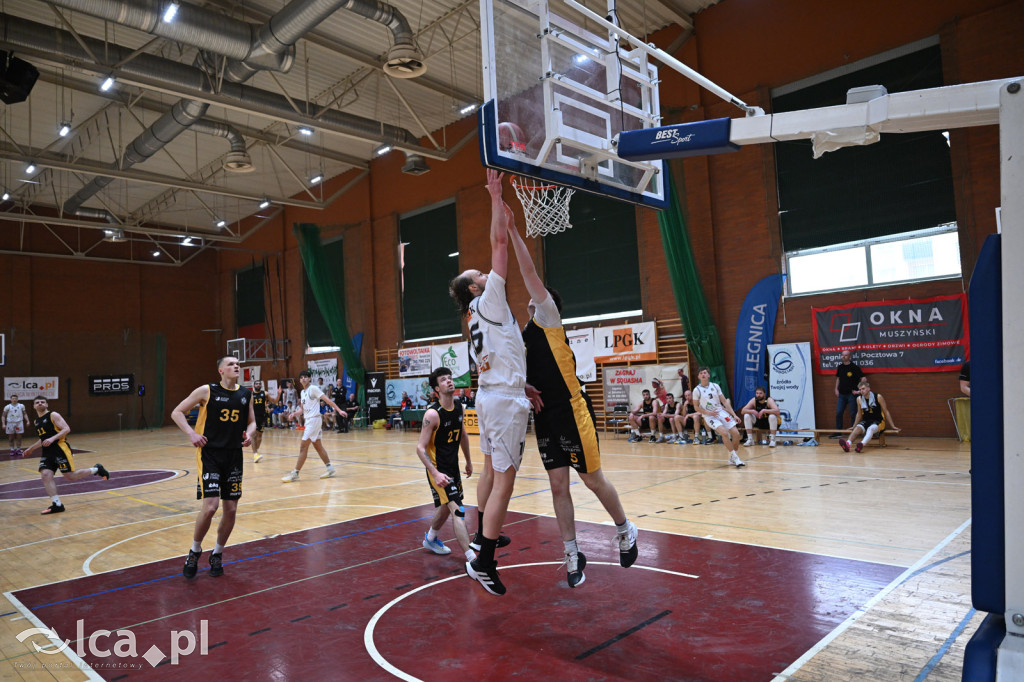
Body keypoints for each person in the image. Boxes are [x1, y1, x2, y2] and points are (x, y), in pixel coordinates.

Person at [507, 219, 639, 587]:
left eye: (536, 291)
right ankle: (571, 552)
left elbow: (528, 270)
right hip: (545, 416)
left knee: (593, 481)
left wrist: (514, 231)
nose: (530, 293)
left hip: (572, 412)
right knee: (557, 487)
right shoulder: (523, 335)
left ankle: (626, 529)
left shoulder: (549, 317)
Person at [448, 168, 531, 596]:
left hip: (491, 396)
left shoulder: (473, 315)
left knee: (488, 472)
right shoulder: (488, 299)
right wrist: (496, 197)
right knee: (505, 480)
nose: (485, 272)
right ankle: (484, 558)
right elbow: (500, 242)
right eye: (478, 273)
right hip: (501, 401)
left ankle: (484, 536)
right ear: (475, 287)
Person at [171, 356, 255, 577]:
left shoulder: (246, 394)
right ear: (220, 370)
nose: (236, 366)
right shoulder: (206, 391)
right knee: (210, 507)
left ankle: (217, 553)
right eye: (231, 364)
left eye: (238, 364)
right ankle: (194, 551)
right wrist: (192, 434)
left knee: (232, 509)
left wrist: (250, 435)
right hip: (210, 455)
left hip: (234, 456)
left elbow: (253, 421)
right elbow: (177, 412)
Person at [416, 367, 476, 564]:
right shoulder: (432, 414)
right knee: (457, 509)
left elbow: (463, 435)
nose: (449, 381)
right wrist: (434, 473)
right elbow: (420, 448)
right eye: (444, 380)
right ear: (436, 389)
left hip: (453, 467)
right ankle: (472, 559)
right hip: (438, 469)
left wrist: (468, 461)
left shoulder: (459, 406)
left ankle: (431, 539)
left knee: (445, 506)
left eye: (450, 378)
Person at [23, 396, 110, 514]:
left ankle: (96, 469)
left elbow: (66, 429)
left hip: (60, 448)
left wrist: (52, 438)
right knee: (45, 475)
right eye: (37, 402)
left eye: (42, 402)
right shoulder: (36, 421)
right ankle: (57, 504)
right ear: (33, 406)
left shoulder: (53, 415)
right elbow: (42, 439)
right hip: (48, 452)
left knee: (70, 476)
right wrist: (31, 449)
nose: (40, 404)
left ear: (47, 405)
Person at [281, 370, 345, 482]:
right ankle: (330, 468)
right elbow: (302, 409)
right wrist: (294, 414)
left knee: (303, 447)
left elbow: (328, 400)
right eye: (301, 377)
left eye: (306, 377)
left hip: (314, 421)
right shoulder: (302, 392)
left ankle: (295, 473)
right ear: (299, 380)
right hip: (310, 421)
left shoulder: (314, 389)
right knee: (318, 446)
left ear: (309, 379)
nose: (303, 379)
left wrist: (339, 410)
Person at [692, 367, 745, 467]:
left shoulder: (715, 386)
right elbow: (695, 407)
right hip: (709, 416)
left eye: (705, 373)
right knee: (724, 433)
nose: (703, 374)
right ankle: (736, 458)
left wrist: (734, 415)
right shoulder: (696, 390)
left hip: (720, 412)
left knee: (736, 434)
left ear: (708, 375)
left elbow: (724, 401)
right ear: (699, 376)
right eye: (701, 373)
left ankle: (733, 457)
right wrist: (707, 412)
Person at [841, 379, 897, 453]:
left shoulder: (878, 397)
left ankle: (861, 444)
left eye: (863, 389)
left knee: (870, 429)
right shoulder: (859, 399)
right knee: (857, 429)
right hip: (866, 420)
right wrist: (854, 426)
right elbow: (859, 414)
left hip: (878, 421)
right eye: (860, 389)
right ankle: (847, 444)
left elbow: (886, 411)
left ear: (869, 388)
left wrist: (892, 426)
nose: (862, 391)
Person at [834, 350, 865, 434]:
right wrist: (836, 389)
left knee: (853, 413)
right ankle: (838, 431)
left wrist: (860, 390)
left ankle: (854, 431)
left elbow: (863, 378)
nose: (843, 357)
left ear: (849, 356)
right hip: (842, 394)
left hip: (852, 394)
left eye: (846, 355)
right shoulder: (840, 367)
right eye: (842, 355)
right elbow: (838, 379)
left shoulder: (854, 367)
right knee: (839, 412)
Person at [251, 380, 267, 462]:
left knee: (259, 436)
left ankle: (256, 451)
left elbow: (274, 401)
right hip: (253, 417)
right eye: (256, 384)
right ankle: (255, 454)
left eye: (259, 384)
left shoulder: (265, 393)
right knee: (253, 435)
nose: (258, 385)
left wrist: (278, 394)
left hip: (262, 417)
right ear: (254, 385)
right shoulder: (251, 394)